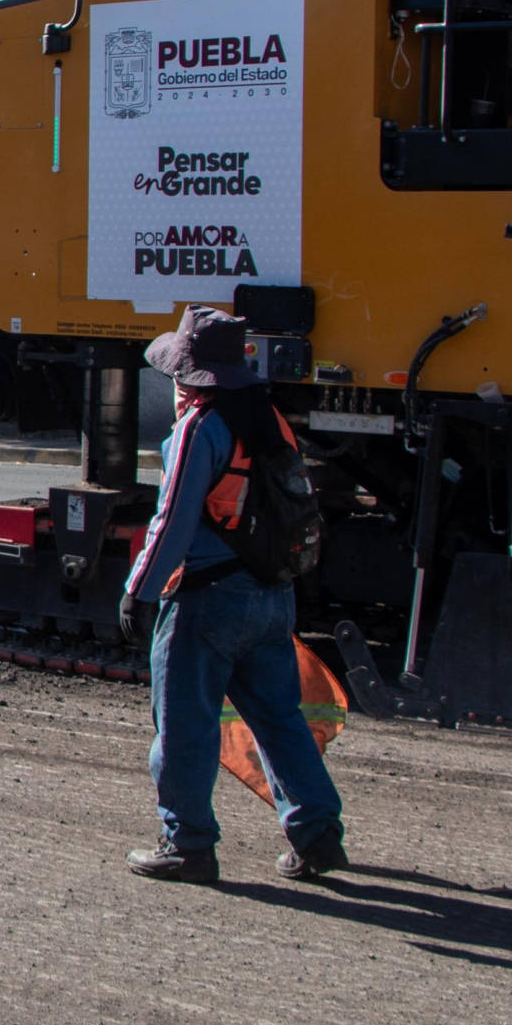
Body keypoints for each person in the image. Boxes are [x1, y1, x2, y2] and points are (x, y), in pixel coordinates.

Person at [118, 307, 344, 883]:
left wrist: (138, 590)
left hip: (206, 602)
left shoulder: (200, 427)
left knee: (185, 726)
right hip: (271, 597)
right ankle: (316, 834)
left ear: (187, 376)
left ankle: (187, 844)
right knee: (279, 720)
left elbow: (173, 521)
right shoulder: (269, 420)